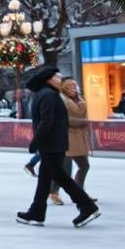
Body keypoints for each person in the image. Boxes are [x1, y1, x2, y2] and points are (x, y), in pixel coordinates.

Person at [17, 66, 100, 228]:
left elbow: (47, 121)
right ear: (48, 79)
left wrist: (36, 141)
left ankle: (87, 206)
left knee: (60, 176)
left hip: (52, 144)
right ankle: (37, 212)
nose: (60, 80)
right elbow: (47, 120)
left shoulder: (48, 95)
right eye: (57, 77)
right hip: (53, 143)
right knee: (44, 179)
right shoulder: (48, 94)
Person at [49, 78, 93, 204]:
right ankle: (54, 192)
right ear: (65, 88)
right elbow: (65, 119)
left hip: (80, 137)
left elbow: (83, 115)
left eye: (75, 87)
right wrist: (84, 122)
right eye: (70, 87)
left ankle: (80, 191)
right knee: (64, 169)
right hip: (67, 137)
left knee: (84, 165)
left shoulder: (80, 99)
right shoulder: (62, 99)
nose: (74, 89)